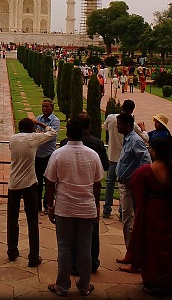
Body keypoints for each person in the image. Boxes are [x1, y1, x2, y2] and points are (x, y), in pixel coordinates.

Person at [44, 117, 104, 297]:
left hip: (65, 207)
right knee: (85, 247)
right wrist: (96, 207)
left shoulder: (58, 154)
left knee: (64, 247)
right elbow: (97, 184)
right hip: (86, 207)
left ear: (68, 133)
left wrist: (50, 205)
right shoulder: (92, 154)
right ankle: (84, 286)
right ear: (84, 131)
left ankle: (62, 286)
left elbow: (50, 183)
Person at [124, 136, 172, 297]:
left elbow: (137, 194)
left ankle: (155, 282)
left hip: (153, 212)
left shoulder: (145, 171)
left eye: (151, 148)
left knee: (153, 248)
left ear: (155, 151)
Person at [59, 112, 109, 274]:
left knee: (68, 238)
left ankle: (72, 266)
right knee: (90, 236)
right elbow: (105, 167)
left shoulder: (65, 143)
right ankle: (92, 264)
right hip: (88, 196)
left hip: (68, 195)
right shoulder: (97, 144)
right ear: (88, 127)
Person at [7, 117, 57, 266]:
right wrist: (39, 124)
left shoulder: (12, 139)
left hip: (13, 183)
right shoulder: (33, 138)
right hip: (29, 183)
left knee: (12, 219)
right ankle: (33, 256)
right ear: (32, 129)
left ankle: (12, 251)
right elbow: (52, 132)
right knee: (32, 221)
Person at [115, 112, 151, 262]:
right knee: (128, 219)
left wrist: (135, 177)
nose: (117, 126)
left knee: (129, 220)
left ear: (128, 125)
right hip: (126, 184)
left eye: (119, 123)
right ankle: (132, 253)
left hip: (130, 185)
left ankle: (133, 256)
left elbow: (146, 160)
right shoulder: (128, 139)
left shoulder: (135, 140)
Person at [102, 100, 142, 218]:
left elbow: (105, 128)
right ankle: (121, 210)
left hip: (113, 156)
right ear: (132, 110)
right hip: (125, 159)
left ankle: (107, 209)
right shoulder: (132, 124)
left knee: (110, 183)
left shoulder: (111, 118)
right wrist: (143, 129)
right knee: (123, 185)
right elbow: (145, 138)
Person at [34, 100, 61, 214]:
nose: (44, 108)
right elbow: (35, 134)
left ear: (52, 108)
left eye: (46, 107)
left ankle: (47, 204)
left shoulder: (55, 121)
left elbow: (52, 135)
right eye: (42, 106)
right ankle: (37, 205)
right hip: (38, 155)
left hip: (49, 155)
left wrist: (40, 127)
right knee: (37, 182)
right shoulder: (38, 118)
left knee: (49, 182)